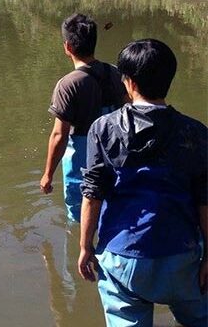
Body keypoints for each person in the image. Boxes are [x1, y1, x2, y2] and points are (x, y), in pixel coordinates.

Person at [78, 39, 207, 327]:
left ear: (130, 83)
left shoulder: (103, 128)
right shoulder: (195, 132)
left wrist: (86, 246)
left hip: (124, 257)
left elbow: (92, 193)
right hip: (181, 255)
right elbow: (204, 199)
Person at [40, 13, 126, 222]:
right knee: (111, 209)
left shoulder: (68, 85)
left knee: (81, 215)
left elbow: (59, 135)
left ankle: (81, 248)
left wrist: (48, 174)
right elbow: (127, 112)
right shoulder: (115, 73)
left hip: (82, 159)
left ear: (68, 47)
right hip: (115, 155)